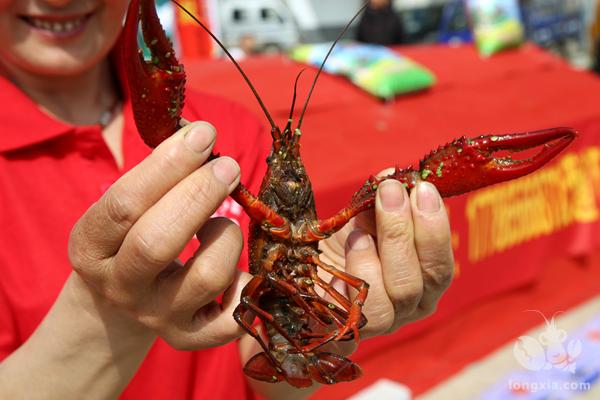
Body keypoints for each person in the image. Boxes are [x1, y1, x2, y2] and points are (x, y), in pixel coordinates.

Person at [0, 1, 454, 399]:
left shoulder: (228, 130)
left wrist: (329, 324)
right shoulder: (197, 139)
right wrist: (107, 314)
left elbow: (258, 366)